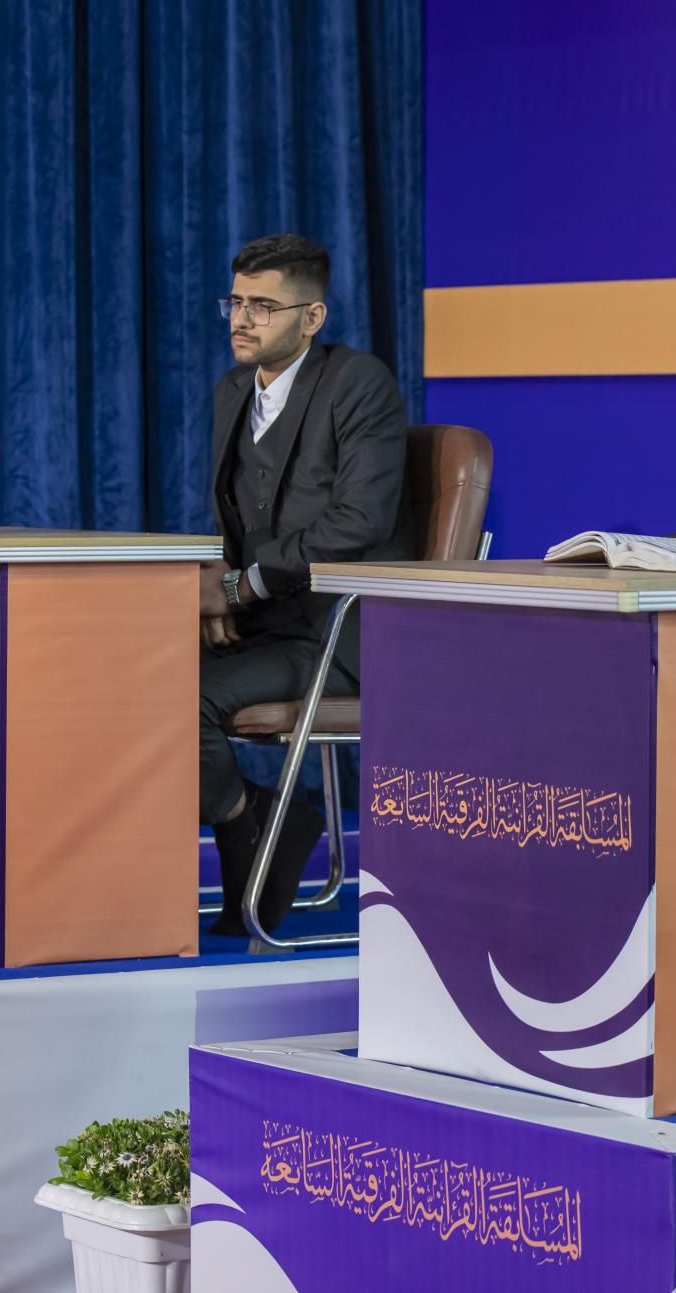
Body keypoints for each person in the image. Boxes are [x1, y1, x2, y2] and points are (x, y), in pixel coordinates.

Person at [198, 234, 411, 936]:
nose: (242, 319)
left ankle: (256, 838)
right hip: (263, 624)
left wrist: (243, 586)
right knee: (128, 675)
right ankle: (258, 818)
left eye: (263, 306)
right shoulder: (233, 390)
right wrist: (213, 587)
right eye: (236, 302)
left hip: (336, 631)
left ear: (312, 317)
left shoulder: (358, 384)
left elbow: (360, 521)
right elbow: (231, 520)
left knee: (183, 698)